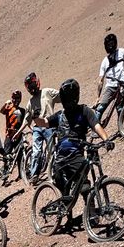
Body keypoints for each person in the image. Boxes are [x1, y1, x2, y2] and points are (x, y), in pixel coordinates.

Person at [33, 77, 112, 208]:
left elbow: (96, 125)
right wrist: (36, 118)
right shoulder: (60, 115)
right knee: (63, 188)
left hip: (76, 155)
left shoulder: (84, 111)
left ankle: (91, 213)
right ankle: (66, 210)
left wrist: (106, 139)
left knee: (84, 186)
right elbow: (44, 122)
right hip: (60, 158)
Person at [23, 71, 60, 184]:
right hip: (37, 128)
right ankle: (34, 174)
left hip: (49, 125)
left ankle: (53, 172)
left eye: (33, 84)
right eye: (29, 85)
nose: (32, 87)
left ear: (37, 82)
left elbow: (62, 96)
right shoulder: (30, 102)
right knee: (36, 152)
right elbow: (27, 119)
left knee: (51, 150)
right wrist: (19, 132)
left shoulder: (47, 92)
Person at [95, 32, 124, 116]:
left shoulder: (122, 51)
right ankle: (96, 124)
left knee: (120, 110)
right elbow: (100, 81)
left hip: (121, 85)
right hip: (110, 87)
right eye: (108, 44)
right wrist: (98, 97)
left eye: (112, 43)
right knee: (100, 109)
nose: (110, 46)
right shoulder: (105, 61)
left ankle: (121, 125)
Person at [0, 90, 26, 156]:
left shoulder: (22, 111)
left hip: (18, 135)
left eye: (17, 98)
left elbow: (26, 122)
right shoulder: (8, 108)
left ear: (20, 99)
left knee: (20, 155)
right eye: (14, 98)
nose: (16, 100)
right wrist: (5, 104)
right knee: (6, 155)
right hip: (9, 135)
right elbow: (2, 111)